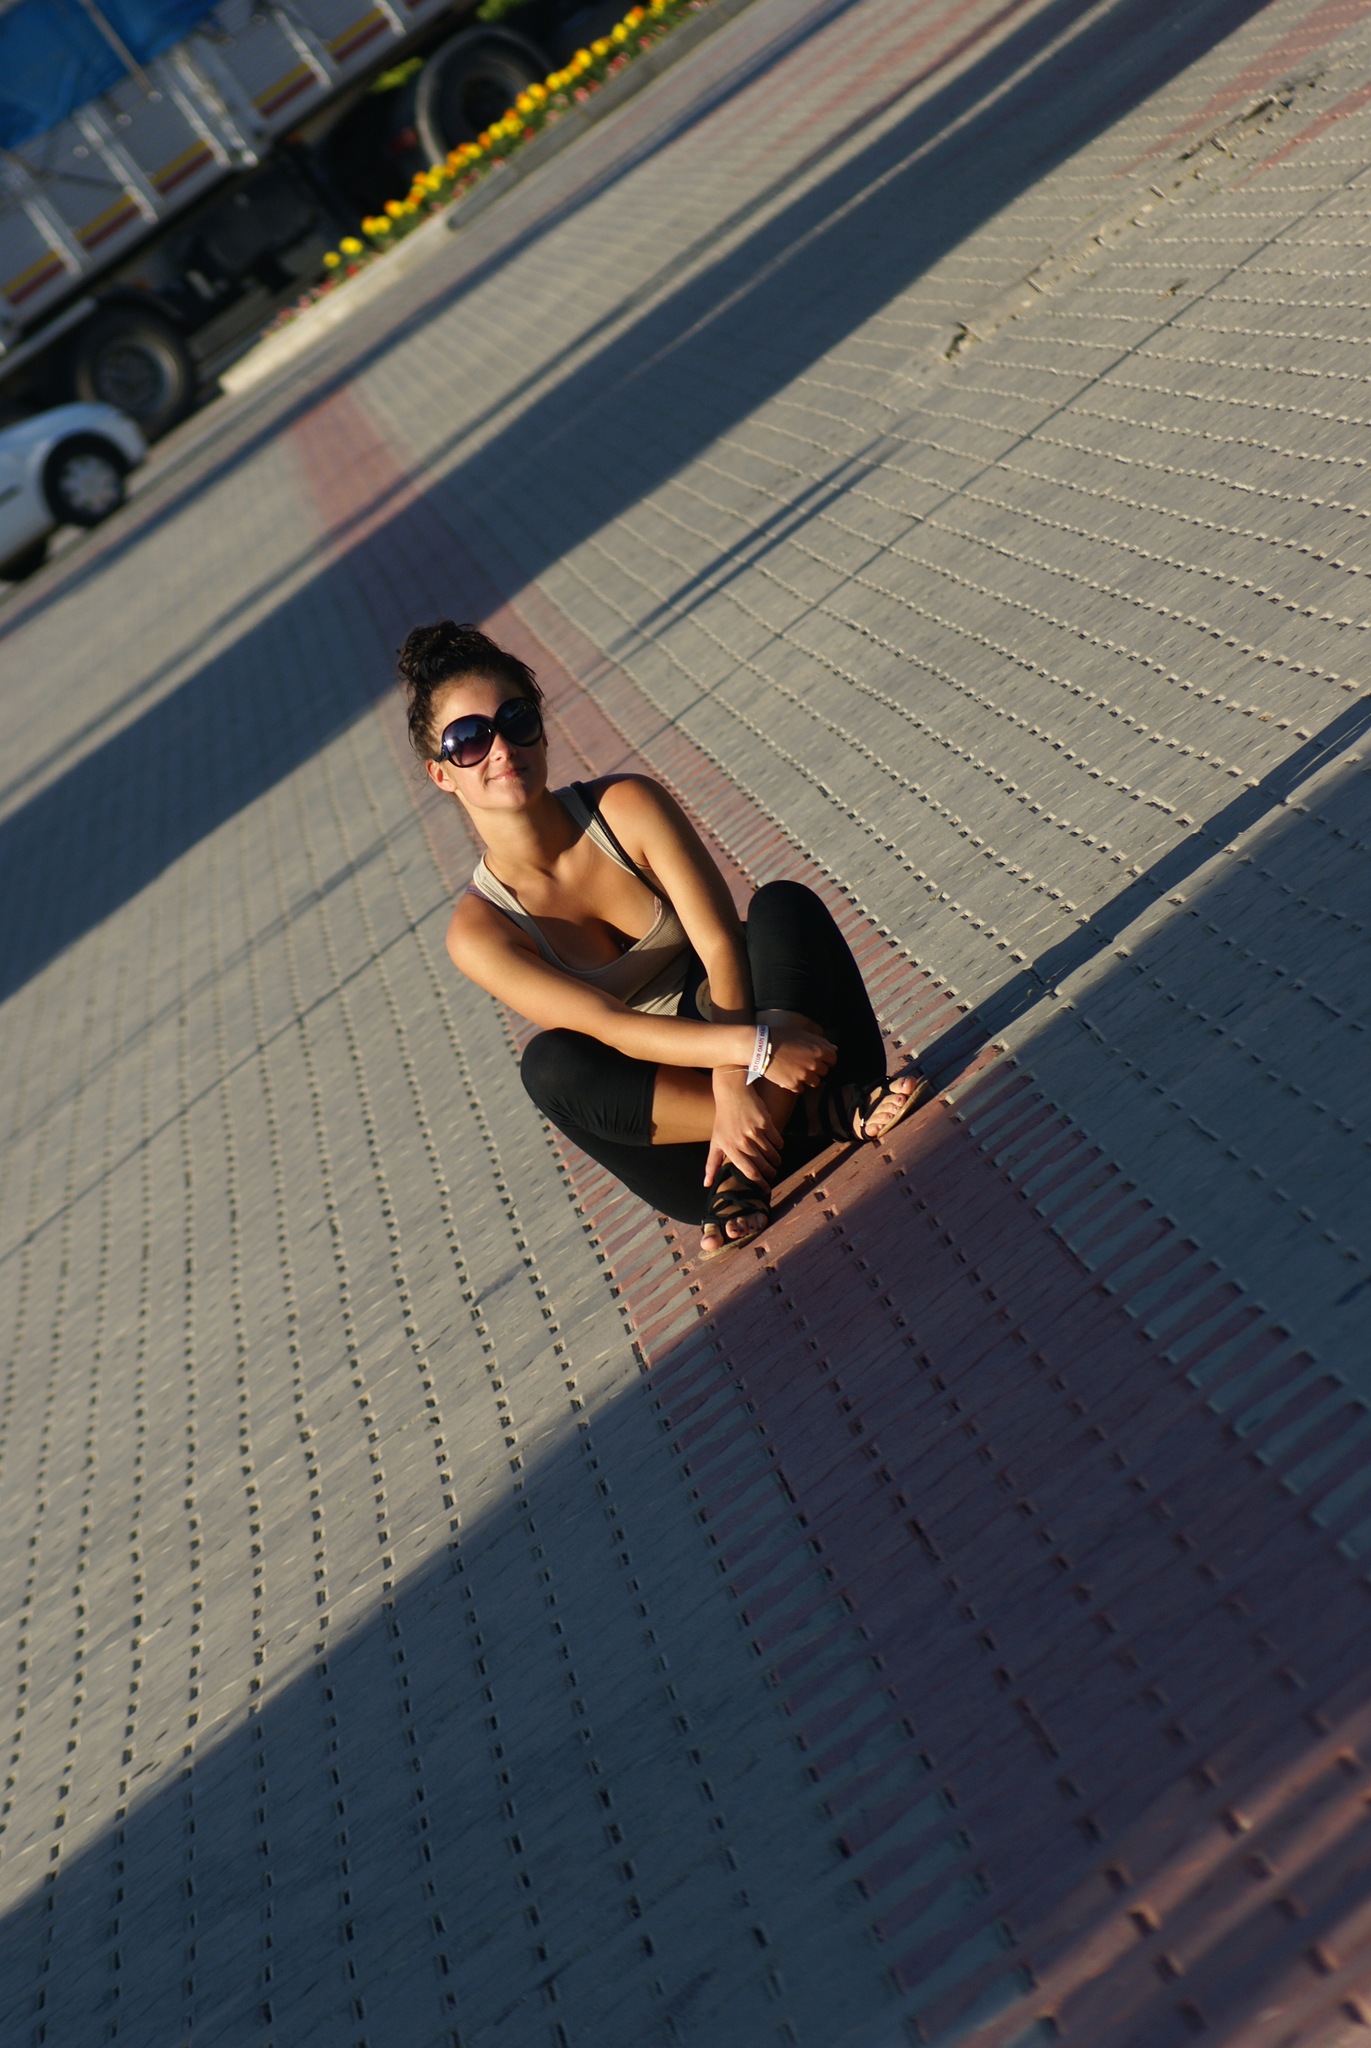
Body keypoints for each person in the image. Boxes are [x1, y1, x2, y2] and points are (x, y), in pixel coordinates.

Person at [401, 622, 928, 1259]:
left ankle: (772, 1141)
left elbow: (720, 945)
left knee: (781, 905)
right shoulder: (480, 930)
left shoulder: (626, 806)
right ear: (441, 774)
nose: (501, 748)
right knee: (548, 1066)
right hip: (703, 1151)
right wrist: (753, 1057)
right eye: (468, 740)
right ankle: (817, 1116)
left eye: (515, 719)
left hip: (804, 1057)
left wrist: (739, 1077)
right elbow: (613, 1027)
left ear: (540, 726)